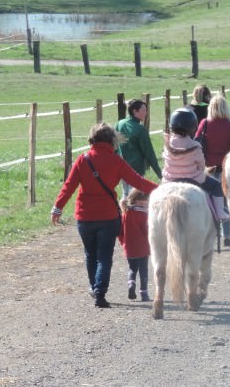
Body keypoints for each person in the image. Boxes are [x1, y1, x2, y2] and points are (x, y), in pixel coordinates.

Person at [51, 123, 159, 308]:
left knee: (90, 255)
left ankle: (95, 287)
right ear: (111, 140)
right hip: (108, 217)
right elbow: (138, 181)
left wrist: (57, 208)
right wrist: (162, 189)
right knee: (104, 257)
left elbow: (69, 186)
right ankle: (100, 292)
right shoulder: (116, 161)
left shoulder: (83, 159)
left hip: (84, 217)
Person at [161, 107, 230, 228]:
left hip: (169, 180)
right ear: (192, 127)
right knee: (217, 186)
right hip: (194, 179)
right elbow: (201, 165)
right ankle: (220, 213)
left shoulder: (167, 143)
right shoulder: (195, 145)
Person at [196, 92, 230, 246]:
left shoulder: (204, 124)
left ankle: (209, 234)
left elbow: (196, 142)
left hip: (208, 168)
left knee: (207, 202)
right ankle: (226, 234)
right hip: (226, 167)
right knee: (225, 202)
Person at [116, 98, 162, 198]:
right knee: (135, 198)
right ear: (134, 111)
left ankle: (123, 213)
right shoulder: (140, 130)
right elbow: (149, 153)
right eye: (143, 110)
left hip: (122, 168)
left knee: (125, 195)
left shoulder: (120, 124)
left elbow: (115, 146)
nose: (146, 113)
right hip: (136, 170)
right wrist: (159, 173)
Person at [119, 188, 151, 302]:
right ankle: (144, 293)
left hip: (129, 248)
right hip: (142, 248)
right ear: (139, 201)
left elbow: (120, 232)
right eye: (146, 200)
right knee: (143, 271)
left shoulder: (125, 213)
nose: (147, 202)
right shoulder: (144, 215)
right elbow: (148, 232)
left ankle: (131, 284)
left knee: (132, 269)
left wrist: (123, 242)